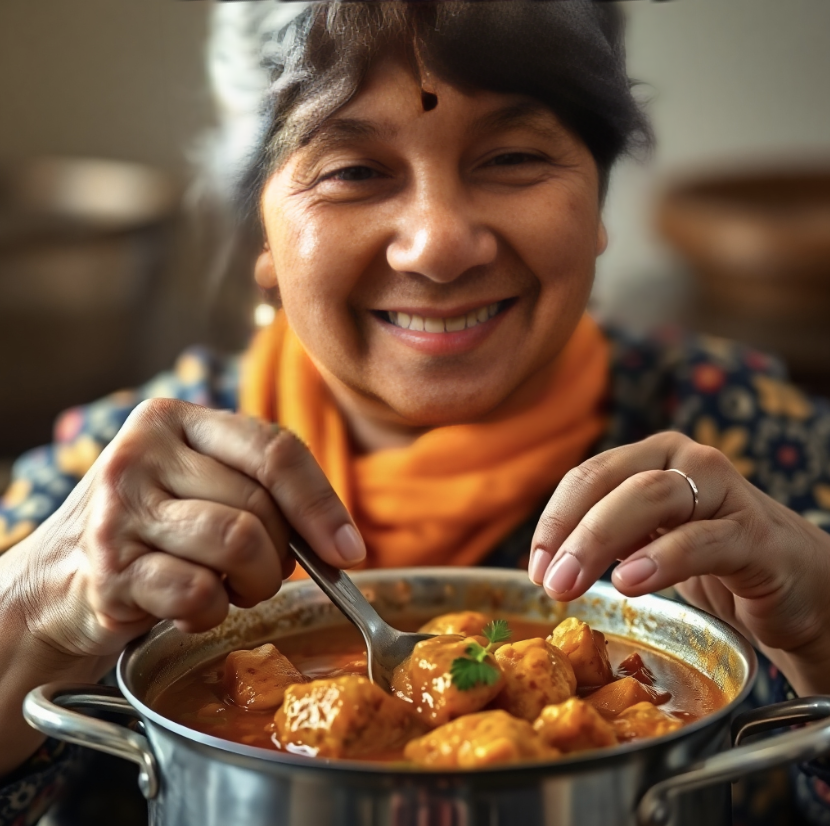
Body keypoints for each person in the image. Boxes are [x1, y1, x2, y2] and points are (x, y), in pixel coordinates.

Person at [2, 2, 830, 824]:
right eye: (354, 171)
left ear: (597, 198)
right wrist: (33, 613)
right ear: (260, 225)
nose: (438, 244)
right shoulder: (108, 483)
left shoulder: (759, 446)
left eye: (511, 156)